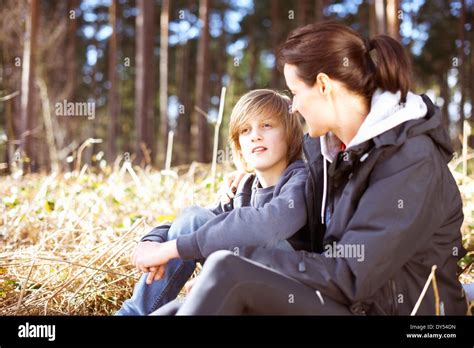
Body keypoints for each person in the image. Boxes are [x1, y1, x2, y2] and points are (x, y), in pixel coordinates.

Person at [153, 21, 468, 315]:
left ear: (323, 85)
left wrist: (243, 260)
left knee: (227, 271)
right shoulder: (326, 153)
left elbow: (350, 275)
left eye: (294, 93)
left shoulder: (410, 161)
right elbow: (276, 204)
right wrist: (252, 177)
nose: (293, 107)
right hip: (343, 300)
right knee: (178, 308)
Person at [116, 89, 309, 315]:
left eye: (267, 125)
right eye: (245, 130)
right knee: (194, 218)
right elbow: (193, 222)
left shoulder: (301, 178)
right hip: (245, 281)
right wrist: (154, 240)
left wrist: (170, 249)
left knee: (202, 222)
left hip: (290, 289)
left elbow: (268, 226)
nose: (255, 135)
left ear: (290, 134)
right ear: (238, 146)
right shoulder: (245, 189)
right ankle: (134, 312)